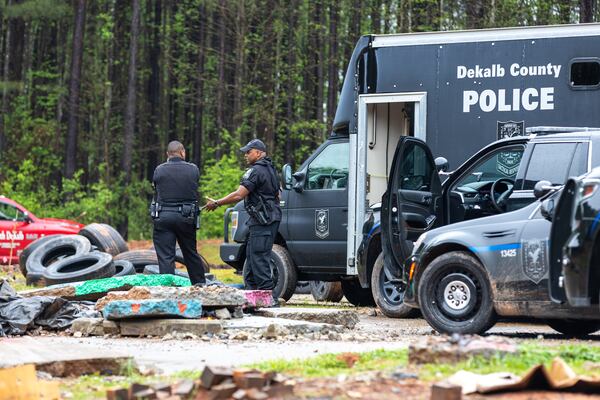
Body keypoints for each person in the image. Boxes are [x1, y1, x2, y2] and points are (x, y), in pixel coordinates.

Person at [205, 139, 281, 298]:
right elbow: (277, 194)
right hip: (268, 219)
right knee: (252, 258)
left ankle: (269, 298)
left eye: (249, 151)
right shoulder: (272, 169)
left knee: (259, 258)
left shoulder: (256, 171)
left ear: (258, 153)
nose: (246, 155)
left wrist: (217, 202)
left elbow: (240, 194)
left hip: (262, 221)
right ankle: (252, 296)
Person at [151, 140, 206, 285]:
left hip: (164, 217)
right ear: (182, 152)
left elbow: (156, 188)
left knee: (165, 256)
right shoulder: (193, 169)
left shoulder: (159, 169)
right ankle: (200, 285)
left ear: (167, 154)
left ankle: (168, 289)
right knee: (190, 253)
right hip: (186, 217)